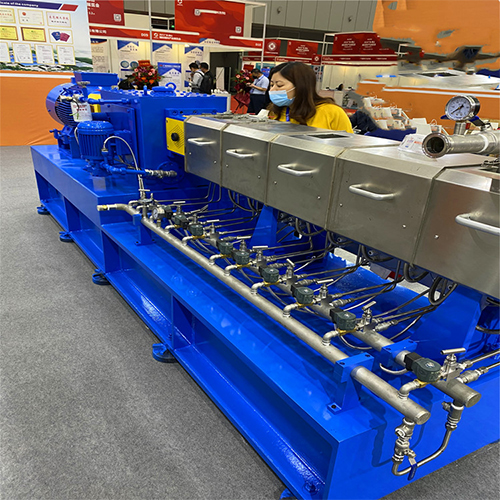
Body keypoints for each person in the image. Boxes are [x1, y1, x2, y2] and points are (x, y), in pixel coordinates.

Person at [268, 62, 353, 132]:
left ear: (300, 85)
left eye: (279, 85)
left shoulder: (331, 112)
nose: (272, 89)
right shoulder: (277, 111)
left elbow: (348, 143)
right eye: (271, 85)